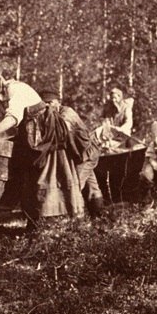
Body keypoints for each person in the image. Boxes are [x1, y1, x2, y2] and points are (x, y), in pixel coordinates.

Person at [0, 62, 84, 226]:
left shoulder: (14, 89)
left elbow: (13, 117)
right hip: (29, 137)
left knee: (46, 177)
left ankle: (56, 221)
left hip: (45, 134)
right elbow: (10, 129)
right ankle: (28, 219)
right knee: (24, 176)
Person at [39, 88, 105, 217]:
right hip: (82, 154)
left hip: (87, 154)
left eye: (49, 103)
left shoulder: (66, 115)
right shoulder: (56, 115)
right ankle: (98, 217)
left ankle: (74, 219)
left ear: (56, 102)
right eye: (44, 104)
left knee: (74, 185)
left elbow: (61, 138)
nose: (46, 107)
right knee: (92, 187)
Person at [95, 85, 134, 150]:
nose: (113, 100)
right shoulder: (109, 108)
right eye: (112, 98)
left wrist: (120, 129)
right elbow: (103, 120)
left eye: (115, 98)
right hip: (111, 136)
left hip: (123, 135)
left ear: (120, 97)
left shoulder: (126, 108)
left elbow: (129, 123)